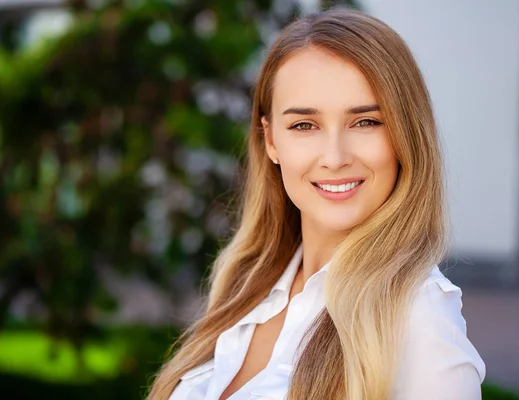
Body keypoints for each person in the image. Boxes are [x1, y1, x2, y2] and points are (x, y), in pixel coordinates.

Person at [148, 7, 485, 400]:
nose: (335, 157)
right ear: (271, 140)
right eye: (304, 126)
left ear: (405, 135)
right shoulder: (247, 281)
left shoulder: (417, 317)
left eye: (366, 122)